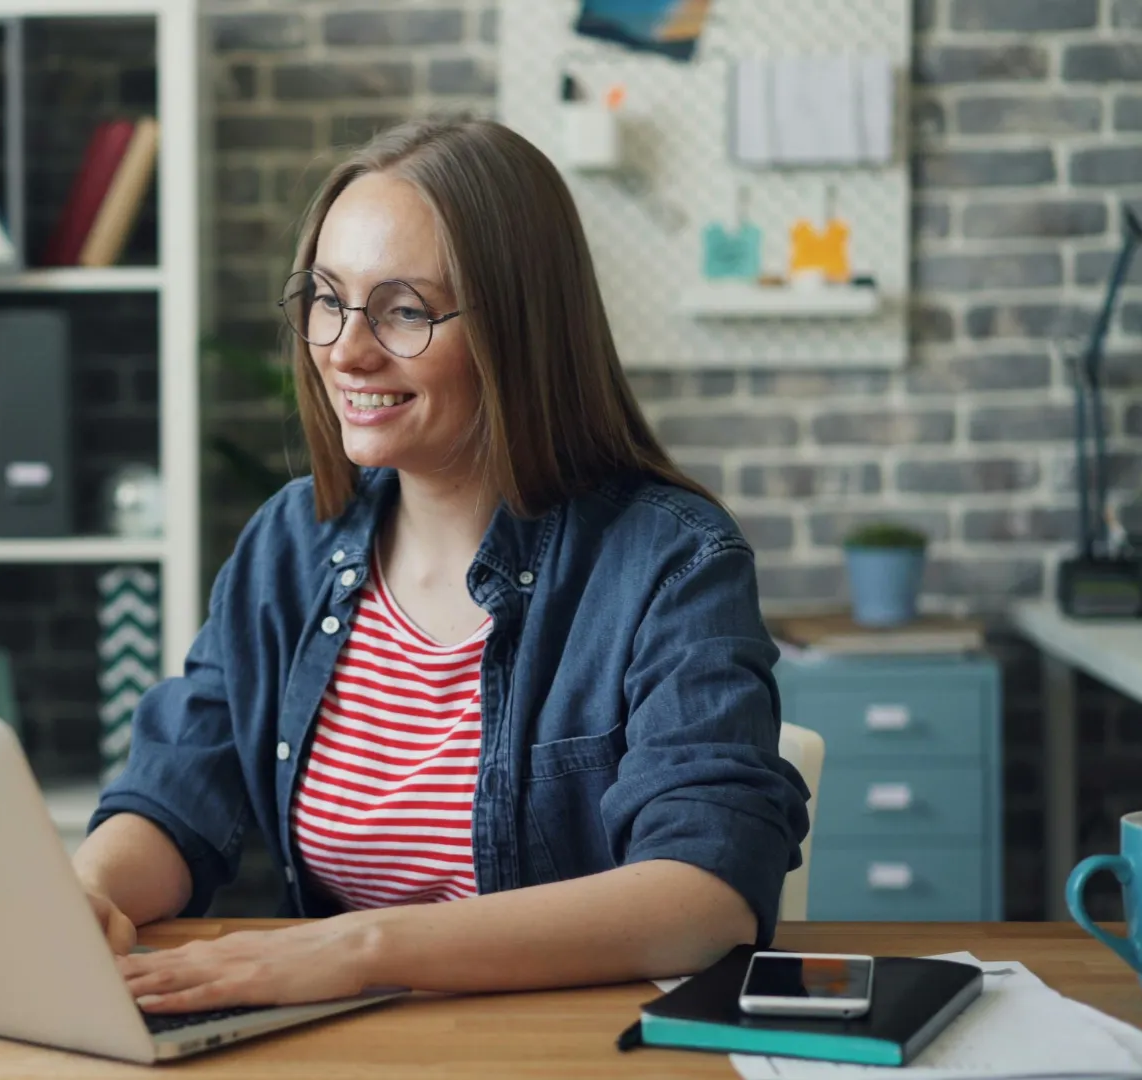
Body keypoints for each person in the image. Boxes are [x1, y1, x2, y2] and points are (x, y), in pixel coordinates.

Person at [72, 116, 811, 1015]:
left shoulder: (669, 560)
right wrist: (89, 892)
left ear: (519, 330)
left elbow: (707, 896)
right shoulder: (290, 543)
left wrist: (363, 948)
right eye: (327, 297)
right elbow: (176, 791)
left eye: (405, 310)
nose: (346, 349)